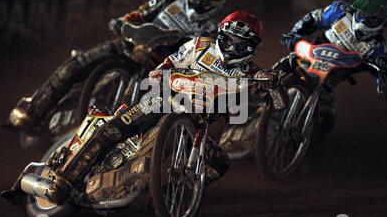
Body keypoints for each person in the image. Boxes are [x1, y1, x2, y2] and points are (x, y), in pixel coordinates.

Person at [43, 11, 278, 204]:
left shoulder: (253, 73)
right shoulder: (199, 46)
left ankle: (171, 196)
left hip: (200, 125)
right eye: (230, 40)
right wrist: (162, 73)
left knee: (219, 164)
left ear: (253, 48)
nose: (234, 48)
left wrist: (274, 86)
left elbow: (277, 104)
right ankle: (65, 181)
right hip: (163, 102)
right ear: (221, 36)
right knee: (113, 130)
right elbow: (167, 64)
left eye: (242, 45)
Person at [6, 0, 227, 135]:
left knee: (145, 112)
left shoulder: (211, 29)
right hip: (130, 46)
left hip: (157, 68)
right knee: (74, 65)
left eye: (205, 2)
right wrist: (126, 21)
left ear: (217, 4)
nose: (197, 4)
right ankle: (34, 113)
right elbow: (143, 12)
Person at [274, 0, 387, 136]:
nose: (363, 19)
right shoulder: (339, 11)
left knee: (326, 122)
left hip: (325, 84)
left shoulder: (381, 50)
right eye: (361, 13)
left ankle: (298, 148)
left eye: (369, 18)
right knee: (276, 73)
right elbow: (313, 19)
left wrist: (386, 72)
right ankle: (250, 100)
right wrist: (294, 34)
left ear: (383, 20)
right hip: (306, 58)